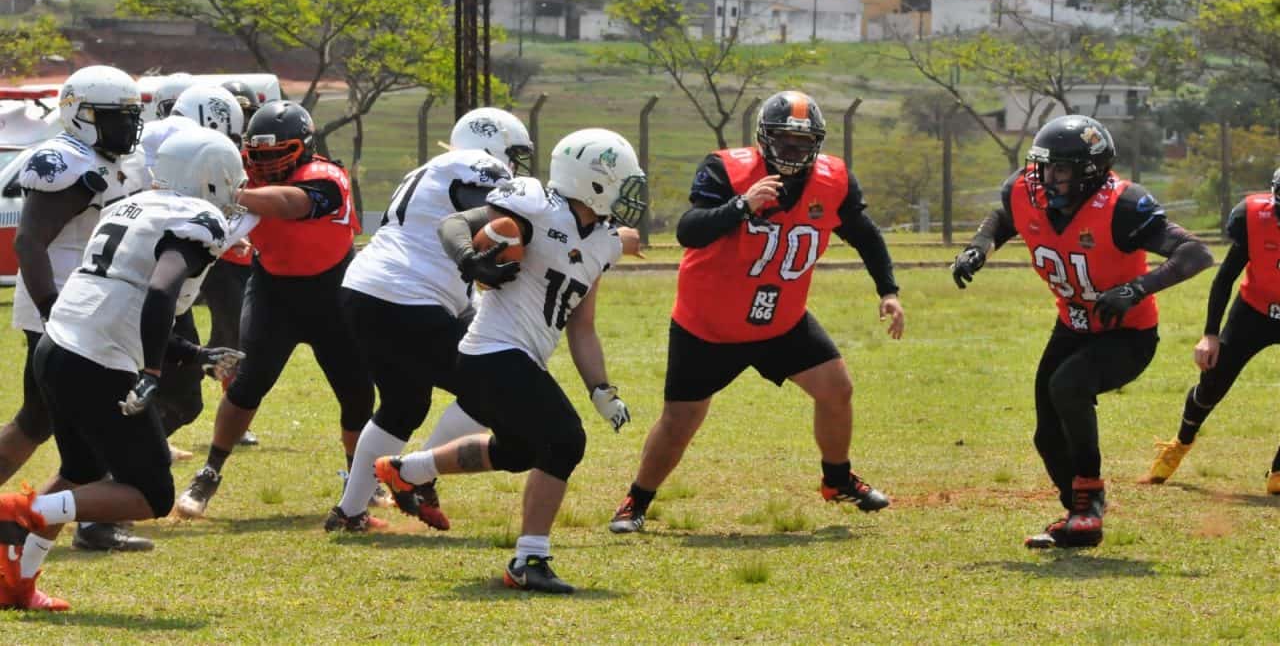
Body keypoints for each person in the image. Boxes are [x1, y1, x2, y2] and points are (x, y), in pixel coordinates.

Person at [607, 90, 902, 535]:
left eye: (804, 143)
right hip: (709, 324)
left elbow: (864, 233)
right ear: (764, 138)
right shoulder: (727, 169)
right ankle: (636, 501)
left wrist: (888, 290)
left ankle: (837, 480)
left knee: (836, 389)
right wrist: (742, 205)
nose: (794, 151)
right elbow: (689, 230)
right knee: (680, 420)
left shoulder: (834, 179)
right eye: (785, 140)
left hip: (782, 319)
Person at [374, 128, 646, 594]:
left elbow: (582, 327)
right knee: (564, 439)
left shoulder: (602, 241)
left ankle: (408, 471)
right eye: (621, 182)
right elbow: (453, 225)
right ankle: (529, 559)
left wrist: (602, 389)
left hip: (514, 360)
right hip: (491, 352)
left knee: (518, 451)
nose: (627, 194)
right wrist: (470, 259)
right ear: (593, 180)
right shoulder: (534, 204)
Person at [0, 128, 248, 610]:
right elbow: (159, 291)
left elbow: (126, 297)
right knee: (152, 495)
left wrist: (190, 353)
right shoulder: (199, 219)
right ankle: (22, 510)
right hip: (96, 359)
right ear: (210, 176)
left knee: (80, 471)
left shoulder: (129, 207)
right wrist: (152, 373)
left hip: (57, 345)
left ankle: (17, 582)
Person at [950, 114, 1213, 548]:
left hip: (1126, 333)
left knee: (1068, 384)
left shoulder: (1123, 206)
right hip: (1072, 324)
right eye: (1043, 167)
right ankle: (1079, 516)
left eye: (1059, 170)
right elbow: (1004, 216)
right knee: (1047, 435)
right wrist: (978, 249)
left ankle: (1090, 504)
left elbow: (1195, 253)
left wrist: (1136, 288)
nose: (1044, 179)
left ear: (1090, 172)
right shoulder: (1026, 191)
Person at [324, 107, 533, 532]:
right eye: (512, 153)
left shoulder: (432, 170)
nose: (513, 164)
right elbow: (484, 219)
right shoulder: (478, 165)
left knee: (404, 404)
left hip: (364, 290)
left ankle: (349, 513)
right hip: (407, 296)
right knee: (489, 388)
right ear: (491, 145)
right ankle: (415, 477)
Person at [174, 101, 374, 518]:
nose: (265, 163)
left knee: (356, 390)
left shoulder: (326, 176)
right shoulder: (242, 175)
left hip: (333, 293)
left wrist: (233, 195)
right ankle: (210, 472)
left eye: (276, 154)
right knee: (248, 383)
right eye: (258, 155)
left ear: (303, 148)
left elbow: (288, 204)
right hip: (274, 293)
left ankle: (360, 483)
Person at [1, 65, 157, 553]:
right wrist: (53, 312)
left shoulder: (120, 159)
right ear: (80, 115)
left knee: (39, 420)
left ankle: (46, 525)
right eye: (113, 116)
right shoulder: (64, 161)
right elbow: (29, 243)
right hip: (64, 310)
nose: (125, 126)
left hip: (93, 310)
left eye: (129, 116)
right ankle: (48, 526)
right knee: (76, 429)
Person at [126, 84, 246, 461]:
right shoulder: (185, 142)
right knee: (181, 393)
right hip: (143, 284)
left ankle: (131, 452)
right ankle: (127, 457)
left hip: (113, 276)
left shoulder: (152, 137)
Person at [1144, 167, 1280, 495]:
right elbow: (1225, 277)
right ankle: (1181, 442)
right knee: (1212, 382)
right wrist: (1210, 334)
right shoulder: (1254, 218)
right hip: (1254, 310)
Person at [208, 79, 265, 447]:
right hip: (222, 258)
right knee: (233, 339)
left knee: (236, 339)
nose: (242, 122)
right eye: (237, 113)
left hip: (253, 259)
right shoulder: (210, 154)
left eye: (247, 113)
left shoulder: (259, 152)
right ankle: (234, 417)